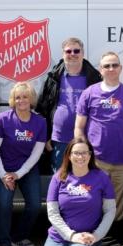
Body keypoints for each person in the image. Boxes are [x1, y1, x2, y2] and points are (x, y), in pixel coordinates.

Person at [36, 137, 116, 246]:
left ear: (91, 155)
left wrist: (97, 235)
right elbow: (52, 213)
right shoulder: (58, 177)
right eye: (76, 153)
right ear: (69, 155)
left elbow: (110, 210)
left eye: (85, 153)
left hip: (88, 236)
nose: (81, 157)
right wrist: (71, 235)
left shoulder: (102, 177)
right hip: (60, 237)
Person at [74, 51, 123, 221]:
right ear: (100, 70)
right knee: (94, 199)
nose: (111, 69)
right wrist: (84, 155)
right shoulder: (89, 93)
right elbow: (79, 127)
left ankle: (114, 238)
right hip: (97, 160)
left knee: (118, 204)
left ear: (120, 68)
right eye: (107, 66)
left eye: (114, 65)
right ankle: (96, 238)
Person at [0, 82, 47, 246]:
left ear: (31, 99)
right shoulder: (2, 120)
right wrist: (4, 175)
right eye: (17, 97)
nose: (21, 100)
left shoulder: (40, 122)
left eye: (25, 96)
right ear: (13, 100)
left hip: (27, 169)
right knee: (5, 204)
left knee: (35, 205)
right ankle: (4, 243)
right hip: (4, 168)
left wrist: (19, 174)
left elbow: (37, 153)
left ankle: (19, 237)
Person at [36, 37, 101, 173]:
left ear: (82, 54)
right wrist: (46, 136)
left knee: (85, 180)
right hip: (59, 139)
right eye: (68, 51)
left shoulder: (94, 78)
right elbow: (43, 108)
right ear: (63, 54)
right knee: (61, 179)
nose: (72, 54)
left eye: (76, 51)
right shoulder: (53, 77)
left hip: (87, 139)